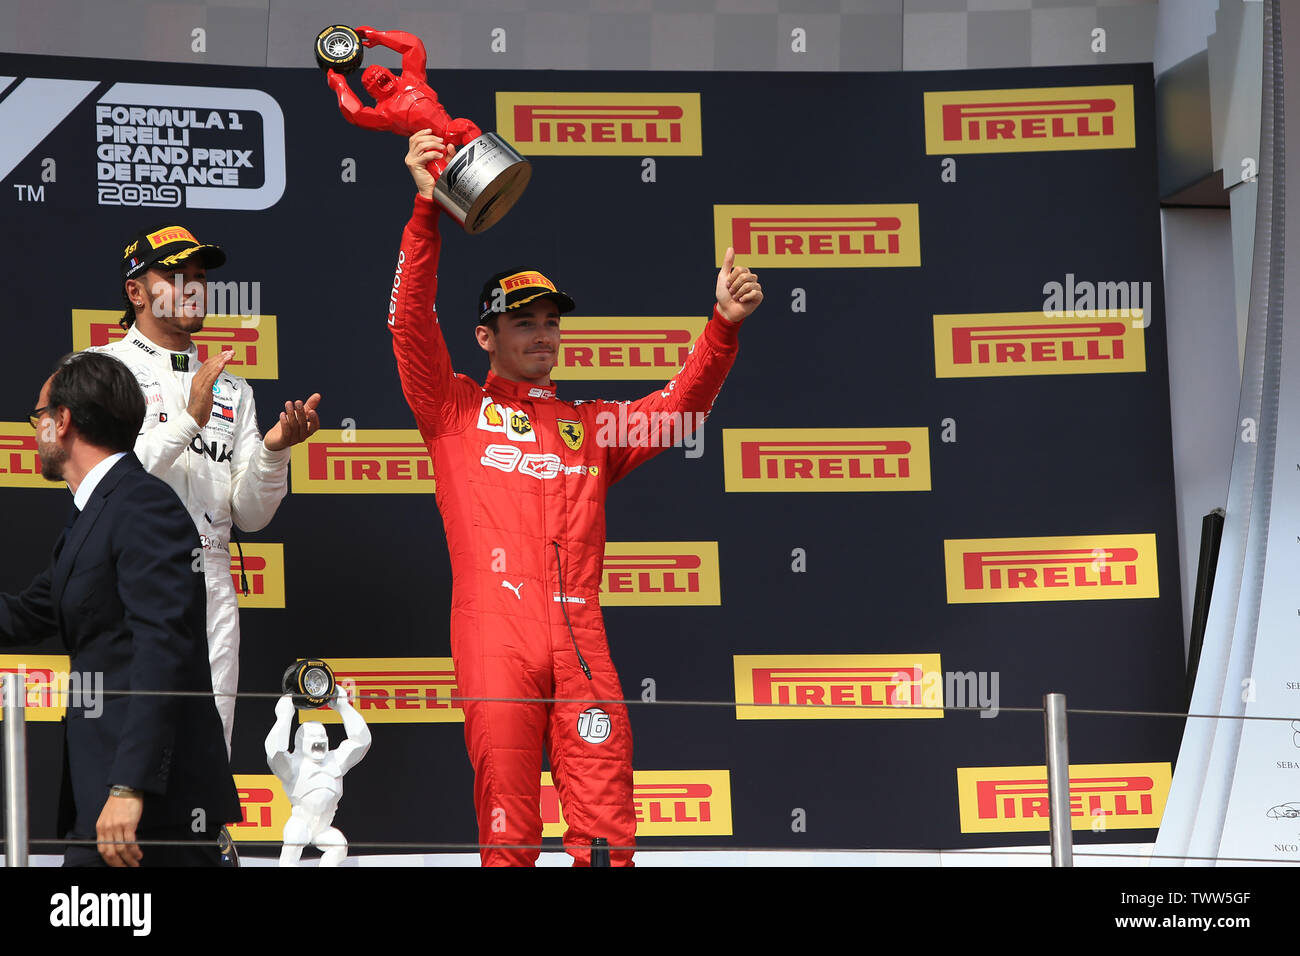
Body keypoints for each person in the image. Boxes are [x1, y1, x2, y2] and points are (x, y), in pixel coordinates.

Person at [387, 130, 763, 866]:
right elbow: (408, 323)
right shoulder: (454, 409)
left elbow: (679, 410)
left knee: (606, 830)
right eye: (523, 322)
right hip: (494, 633)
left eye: (551, 321)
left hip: (580, 636)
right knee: (509, 828)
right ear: (485, 336)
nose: (542, 335)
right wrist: (425, 214)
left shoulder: (588, 428)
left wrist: (721, 327)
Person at [0, 352, 240, 866]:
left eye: (38, 417)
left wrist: (131, 785)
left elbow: (163, 647)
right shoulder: (95, 513)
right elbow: (23, 615)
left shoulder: (142, 505)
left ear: (62, 422)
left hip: (153, 813)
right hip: (105, 805)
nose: (35, 430)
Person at [91, 223, 322, 755]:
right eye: (174, 276)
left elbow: (250, 514)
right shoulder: (100, 370)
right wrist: (189, 419)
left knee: (210, 729)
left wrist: (274, 449)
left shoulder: (233, 388)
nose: (192, 287)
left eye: (198, 276)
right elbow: (106, 482)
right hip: (130, 568)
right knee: (131, 728)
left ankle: (207, 836)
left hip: (211, 571)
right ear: (136, 291)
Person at [265, 685, 372, 867]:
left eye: (322, 736)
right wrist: (284, 716)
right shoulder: (293, 765)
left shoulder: (335, 761)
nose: (319, 740)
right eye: (313, 737)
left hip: (323, 827)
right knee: (293, 842)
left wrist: (344, 707)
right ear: (301, 743)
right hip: (301, 822)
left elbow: (362, 742)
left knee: (339, 846)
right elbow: (275, 752)